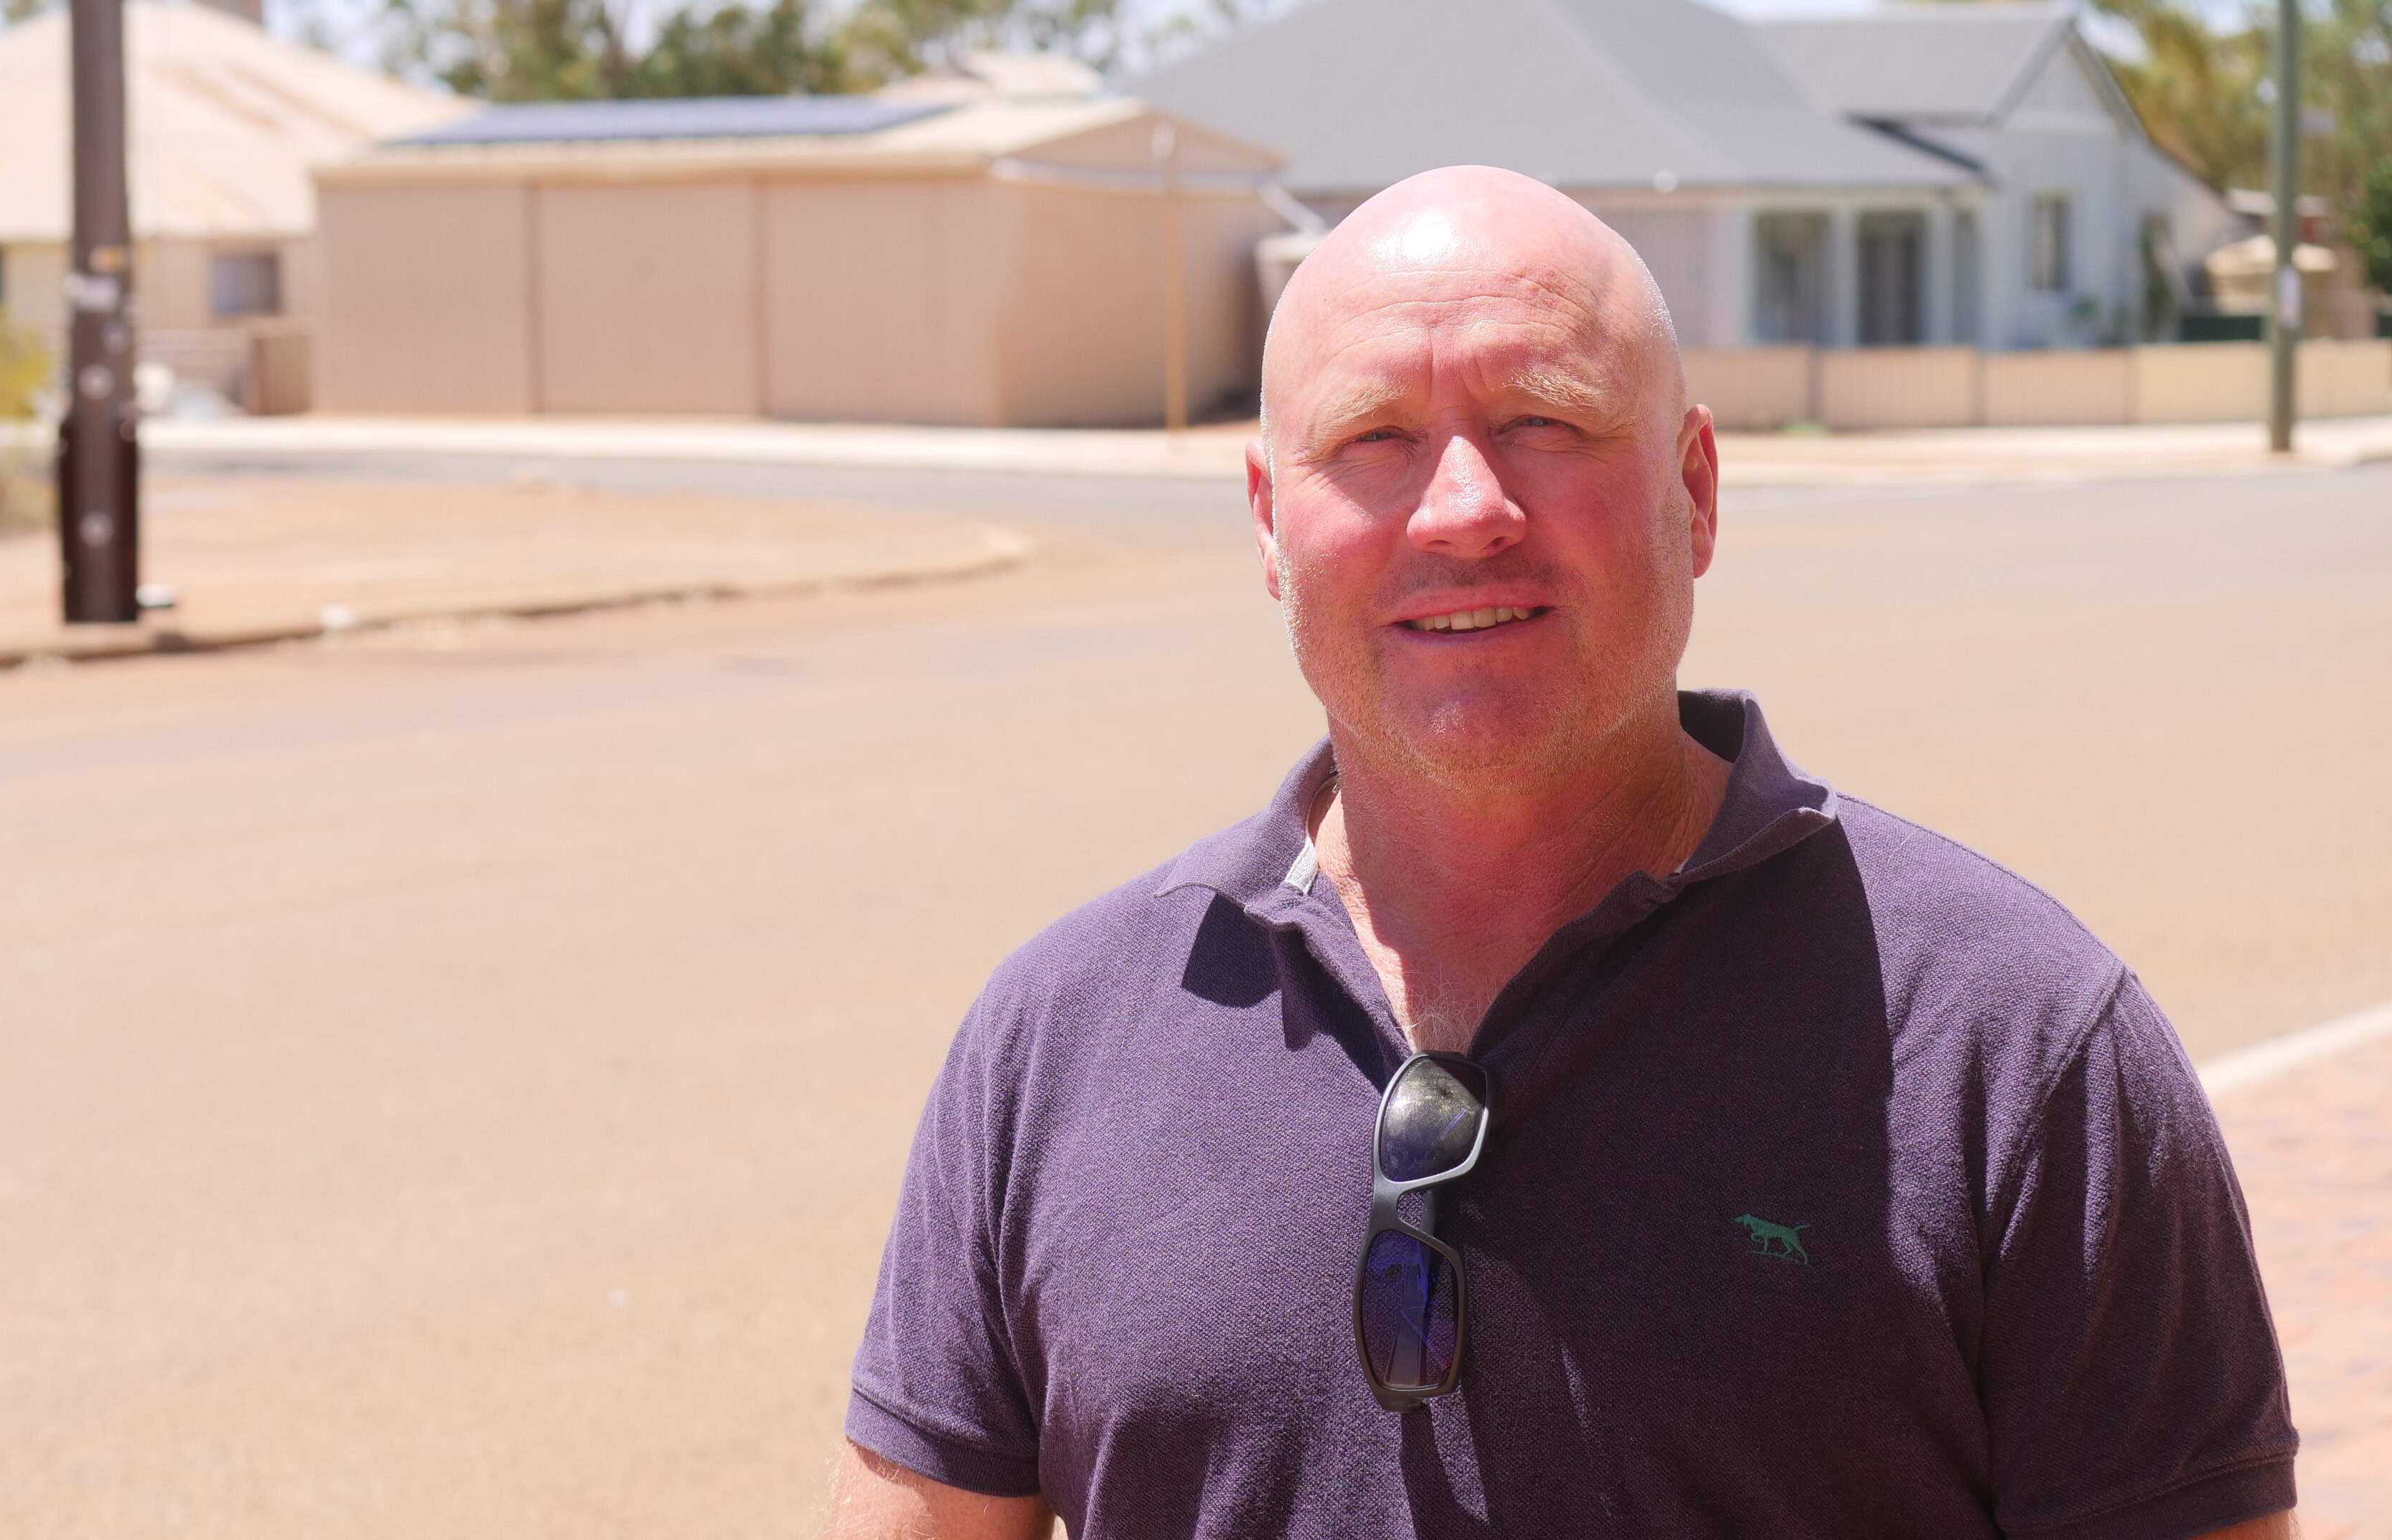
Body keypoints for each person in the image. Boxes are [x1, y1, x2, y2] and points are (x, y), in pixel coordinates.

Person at [824, 166, 2298, 1539]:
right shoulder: (1053, 1045)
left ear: (1697, 489)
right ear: (1273, 527)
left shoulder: (2019, 1046)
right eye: (1373, 439)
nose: (1466, 508)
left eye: (1545, 419)